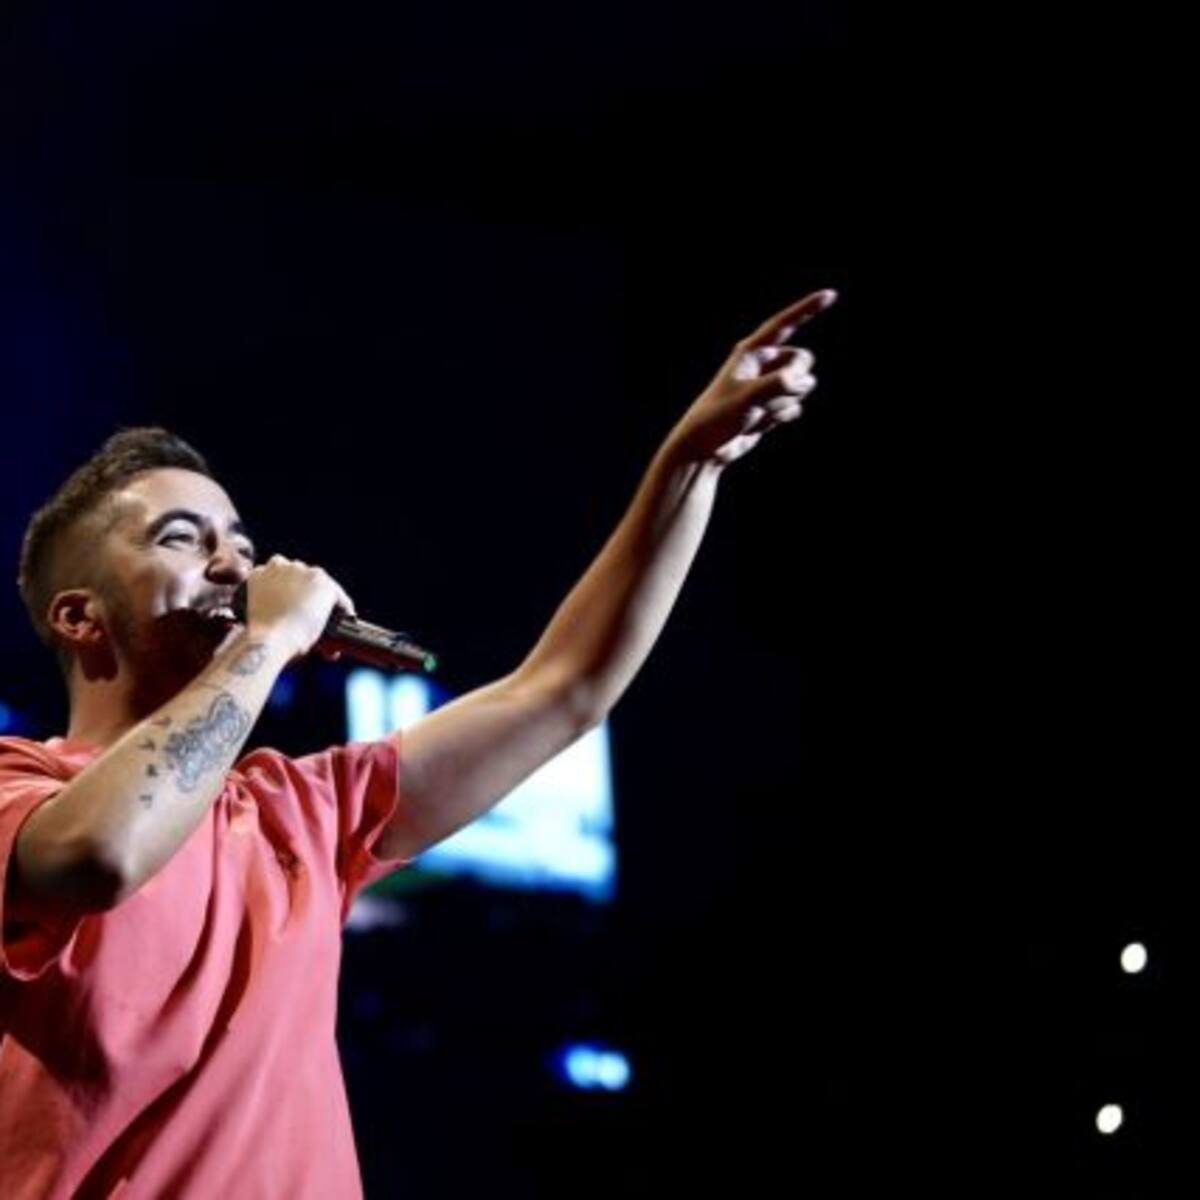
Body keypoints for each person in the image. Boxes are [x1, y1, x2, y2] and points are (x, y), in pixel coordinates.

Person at [0, 288, 836, 1197]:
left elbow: (564, 690)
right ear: (79, 618)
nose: (235, 565)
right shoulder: (20, 786)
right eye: (180, 538)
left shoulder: (303, 812)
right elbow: (99, 856)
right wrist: (268, 640)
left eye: (239, 541)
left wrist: (691, 463)